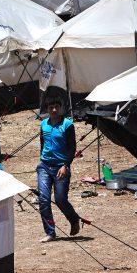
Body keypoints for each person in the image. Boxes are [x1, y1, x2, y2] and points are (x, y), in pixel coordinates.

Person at [37, 98, 81, 243]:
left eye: (56, 107)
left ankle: (74, 219)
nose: (54, 110)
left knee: (60, 199)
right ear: (47, 109)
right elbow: (42, 143)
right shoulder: (44, 124)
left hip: (61, 167)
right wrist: (42, 159)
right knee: (43, 199)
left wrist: (65, 165)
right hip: (44, 166)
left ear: (60, 108)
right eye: (51, 107)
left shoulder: (67, 125)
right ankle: (50, 232)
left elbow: (72, 148)